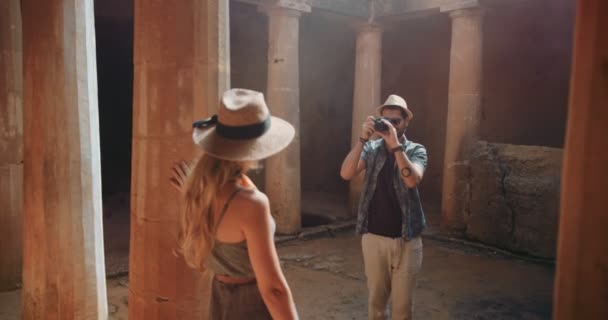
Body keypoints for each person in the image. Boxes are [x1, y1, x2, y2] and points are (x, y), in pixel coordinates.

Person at [170, 88, 299, 320]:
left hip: (220, 297)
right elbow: (273, 290)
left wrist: (189, 189)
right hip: (251, 302)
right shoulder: (252, 204)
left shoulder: (200, 192)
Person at [340, 94, 428, 320]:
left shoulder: (416, 150)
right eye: (385, 121)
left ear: (406, 122)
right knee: (376, 305)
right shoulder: (371, 149)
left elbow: (412, 180)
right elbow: (346, 173)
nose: (390, 126)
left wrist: (396, 147)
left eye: (395, 121)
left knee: (402, 309)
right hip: (374, 238)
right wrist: (362, 139)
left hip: (407, 239)